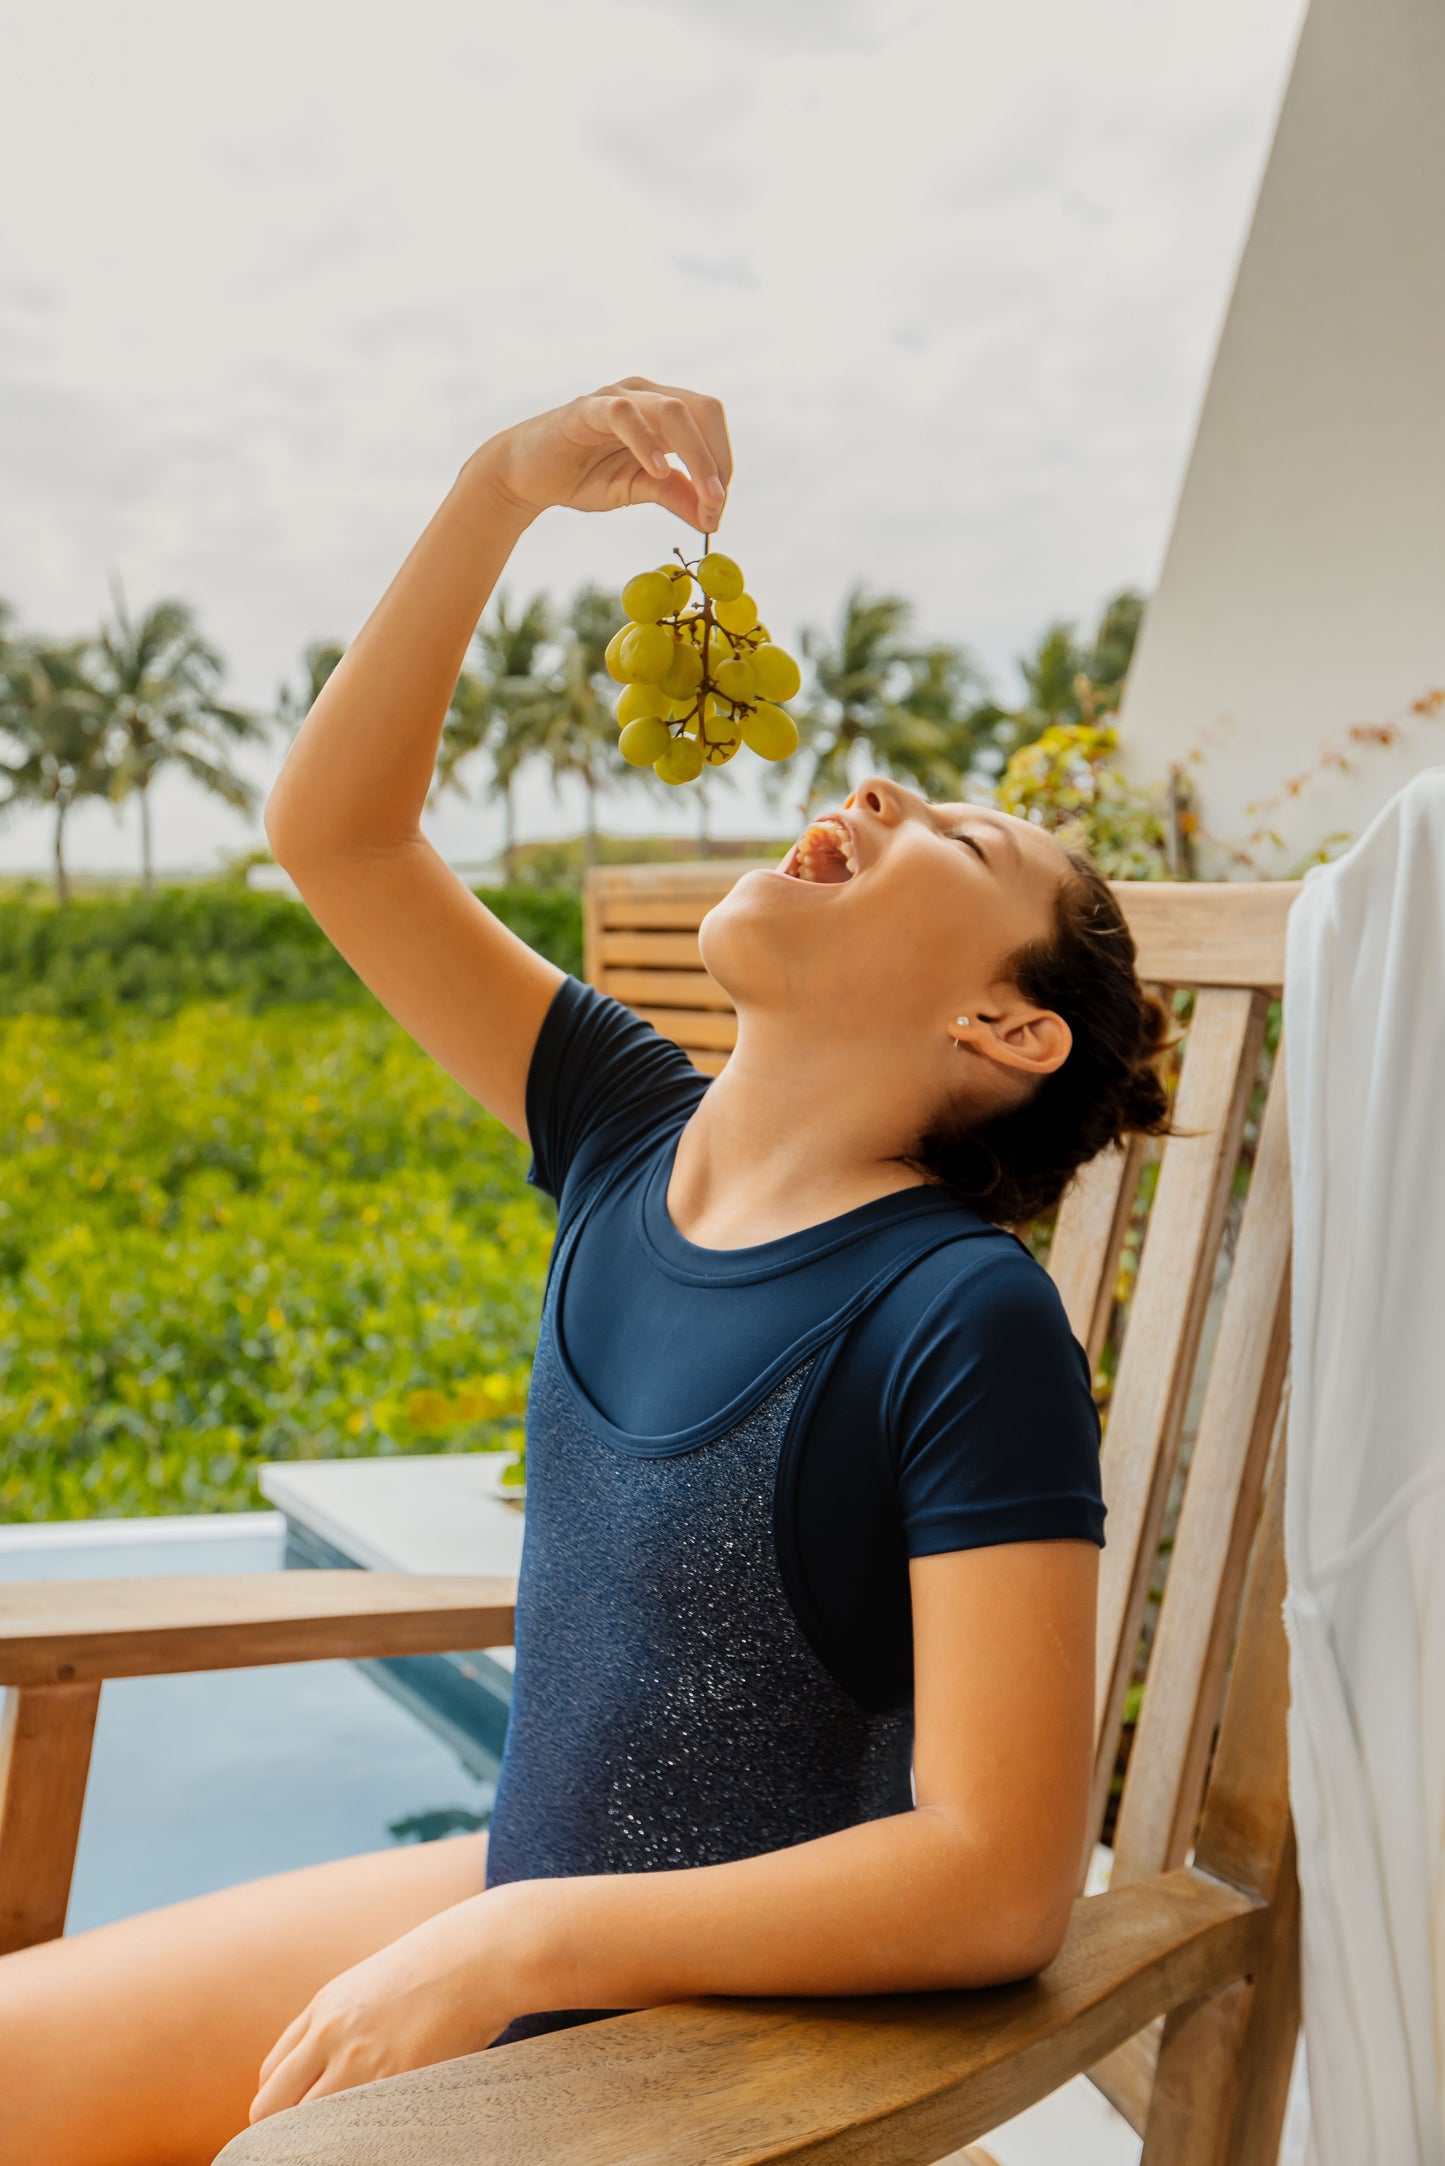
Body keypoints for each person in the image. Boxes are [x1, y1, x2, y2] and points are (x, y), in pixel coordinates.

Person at [0, 379, 1172, 2166]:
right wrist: (503, 487)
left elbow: (998, 1875)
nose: (875, 786)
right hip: (520, 1904)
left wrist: (515, 1938)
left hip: (729, 2031)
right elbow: (336, 835)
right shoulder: (625, 1126)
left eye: (959, 836)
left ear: (1004, 1026)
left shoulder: (960, 1317)